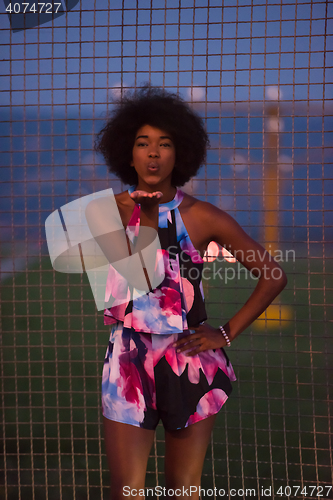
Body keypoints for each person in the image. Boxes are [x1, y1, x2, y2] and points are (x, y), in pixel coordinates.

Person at [88, 85, 287, 500]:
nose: (154, 153)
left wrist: (225, 333)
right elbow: (137, 277)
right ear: (128, 152)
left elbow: (272, 275)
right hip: (129, 362)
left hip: (191, 360)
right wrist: (144, 213)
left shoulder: (203, 216)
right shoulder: (103, 213)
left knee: (183, 490)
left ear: (181, 155)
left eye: (165, 144)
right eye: (143, 143)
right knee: (125, 492)